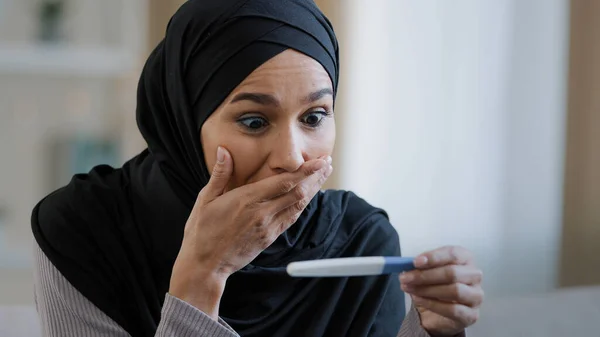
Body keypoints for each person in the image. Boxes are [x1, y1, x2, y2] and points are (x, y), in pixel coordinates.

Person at [31, 1, 484, 336]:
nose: (291, 157)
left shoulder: (358, 239)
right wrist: (201, 278)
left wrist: (430, 329)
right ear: (185, 123)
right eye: (254, 121)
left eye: (314, 117)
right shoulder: (83, 231)